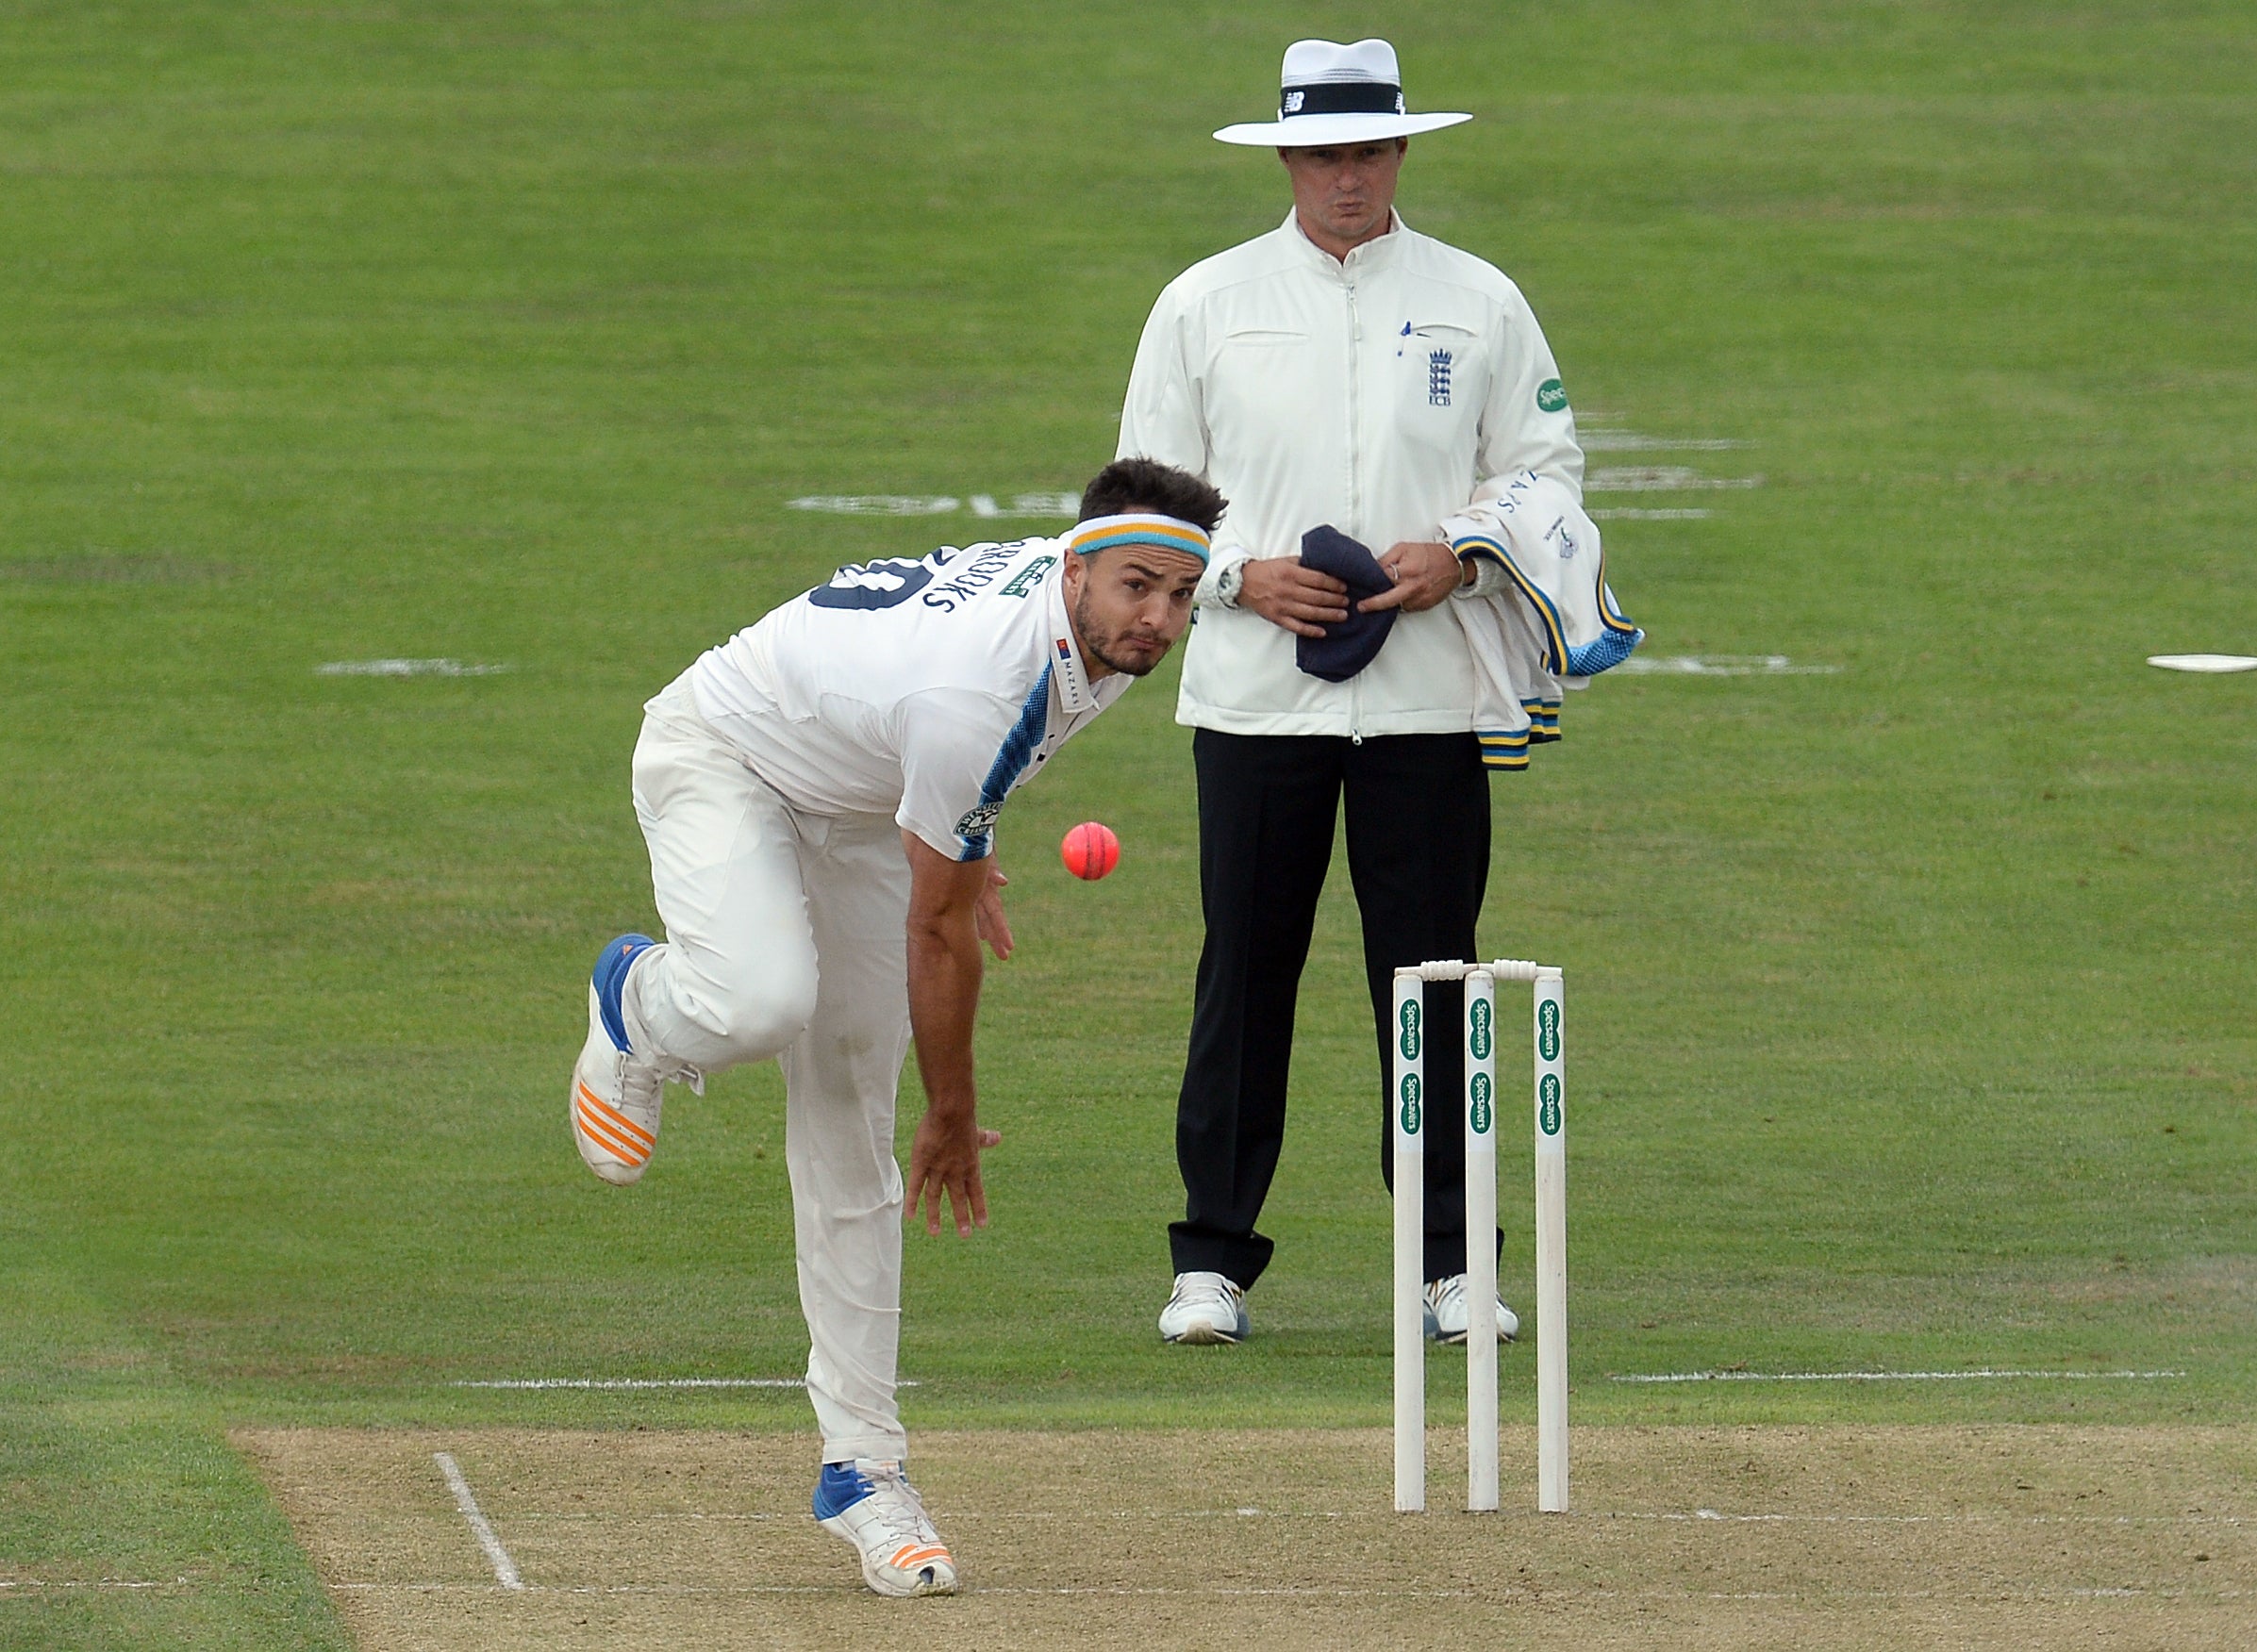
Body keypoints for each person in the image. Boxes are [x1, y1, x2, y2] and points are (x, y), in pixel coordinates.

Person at [567, 457, 1222, 1596]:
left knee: (846, 1128)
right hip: (726, 758)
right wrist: (954, 1114)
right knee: (758, 1003)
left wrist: (960, 832)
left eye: (1180, 596)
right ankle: (638, 1003)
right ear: (1074, 568)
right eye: (1136, 590)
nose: (1158, 620)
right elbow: (936, 932)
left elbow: (964, 759)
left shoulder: (1100, 618)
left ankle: (862, 1471)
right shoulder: (974, 692)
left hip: (866, 803)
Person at [1119, 39, 1635, 1346]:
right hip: (1253, 704)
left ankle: (1453, 1263)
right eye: (1321, 154)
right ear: (1287, 159)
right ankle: (1210, 1263)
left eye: (1367, 152)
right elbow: (1142, 499)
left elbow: (1547, 465)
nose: (1345, 176)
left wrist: (1458, 552)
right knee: (1247, 972)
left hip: (1426, 700)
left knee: (1435, 983)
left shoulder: (1477, 299)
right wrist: (1239, 578)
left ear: (1399, 154)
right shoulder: (1205, 302)